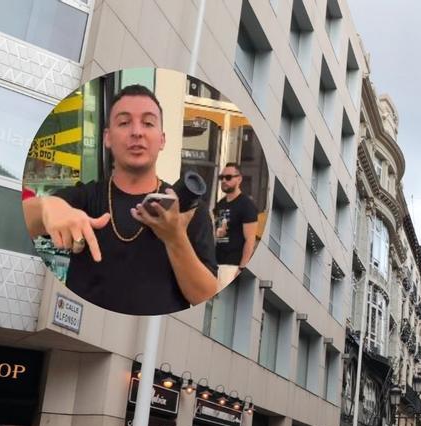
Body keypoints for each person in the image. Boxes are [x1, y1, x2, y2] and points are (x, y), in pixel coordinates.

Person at [22, 84, 218, 315]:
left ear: (162, 140)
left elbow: (205, 295)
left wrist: (175, 237)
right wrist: (47, 207)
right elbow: (25, 217)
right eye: (124, 123)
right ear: (107, 138)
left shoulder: (187, 210)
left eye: (148, 123)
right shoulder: (86, 198)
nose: (137, 132)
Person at [211, 162, 259, 289]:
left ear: (239, 179)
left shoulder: (246, 205)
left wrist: (242, 267)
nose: (224, 181)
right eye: (222, 178)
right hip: (217, 263)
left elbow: (250, 239)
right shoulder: (220, 204)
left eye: (228, 177)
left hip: (233, 265)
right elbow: (219, 234)